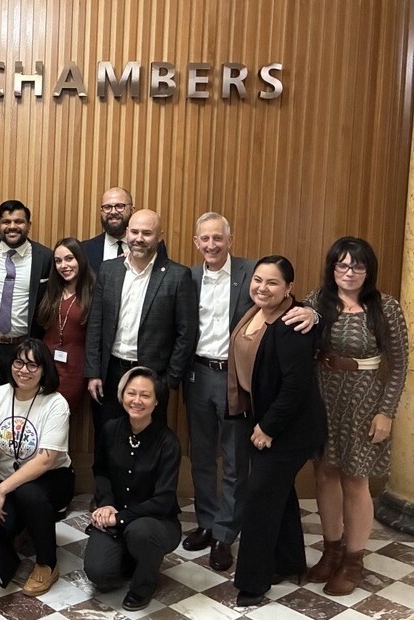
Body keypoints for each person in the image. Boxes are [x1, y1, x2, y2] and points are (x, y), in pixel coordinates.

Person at [305, 237, 408, 596]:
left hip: (365, 402)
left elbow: (399, 365)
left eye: (357, 266)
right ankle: (331, 550)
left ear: (369, 270)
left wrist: (386, 413)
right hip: (324, 396)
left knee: (355, 480)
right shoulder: (318, 301)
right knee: (324, 474)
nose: (349, 272)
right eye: (342, 265)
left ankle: (353, 559)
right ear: (332, 268)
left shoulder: (386, 307)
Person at [227, 256, 326, 607]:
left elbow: (295, 387)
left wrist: (268, 427)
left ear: (289, 289)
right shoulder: (254, 312)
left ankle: (253, 583)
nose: (262, 288)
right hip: (263, 419)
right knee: (278, 496)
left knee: (259, 498)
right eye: (257, 280)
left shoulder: (293, 324)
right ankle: (288, 562)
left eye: (272, 283)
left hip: (290, 428)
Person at [181, 213, 255, 571]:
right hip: (197, 374)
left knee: (235, 460)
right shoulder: (188, 277)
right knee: (202, 455)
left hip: (234, 379)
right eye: (205, 239)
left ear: (230, 239)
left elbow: (284, 300)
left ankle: (226, 534)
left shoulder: (250, 273)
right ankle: (207, 524)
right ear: (196, 243)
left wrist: (311, 316)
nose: (211, 245)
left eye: (218, 238)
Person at [0, 339, 75, 597]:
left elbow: (46, 459)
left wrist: (2, 490)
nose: (24, 370)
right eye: (19, 362)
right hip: (7, 480)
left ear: (44, 370)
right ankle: (24, 527)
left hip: (51, 479)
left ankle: (46, 564)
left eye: (32, 364)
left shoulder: (55, 403)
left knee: (30, 494)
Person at [85, 209, 197, 429]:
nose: (139, 238)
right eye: (134, 232)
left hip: (151, 375)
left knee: (148, 442)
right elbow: (95, 324)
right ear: (126, 233)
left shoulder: (177, 276)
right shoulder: (109, 271)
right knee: (106, 439)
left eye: (146, 233)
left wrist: (168, 381)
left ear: (159, 236)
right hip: (111, 372)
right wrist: (93, 372)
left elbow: (186, 334)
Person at [83, 367, 181, 612]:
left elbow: (164, 500)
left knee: (140, 532)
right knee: (98, 573)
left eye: (145, 395)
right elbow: (101, 471)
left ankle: (145, 583)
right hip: (115, 516)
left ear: (157, 401)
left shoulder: (167, 442)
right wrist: (105, 503)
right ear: (122, 395)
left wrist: (119, 517)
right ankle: (135, 558)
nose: (137, 401)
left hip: (154, 522)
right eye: (131, 393)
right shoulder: (110, 429)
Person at [0, 200, 52, 399]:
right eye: (6, 222)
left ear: (28, 225)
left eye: (19, 221)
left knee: (22, 401)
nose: (12, 226)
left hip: (23, 346)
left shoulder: (44, 256)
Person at [37, 238, 94, 475]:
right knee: (38, 421)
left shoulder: (93, 291)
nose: (64, 265)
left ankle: (58, 475)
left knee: (58, 424)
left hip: (74, 370)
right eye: (58, 260)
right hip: (44, 367)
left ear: (80, 259)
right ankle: (36, 475)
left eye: (69, 258)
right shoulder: (50, 290)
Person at [79, 187, 167, 274]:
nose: (113, 212)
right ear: (101, 212)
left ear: (132, 210)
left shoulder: (154, 246)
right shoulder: (85, 249)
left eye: (120, 206)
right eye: (107, 207)